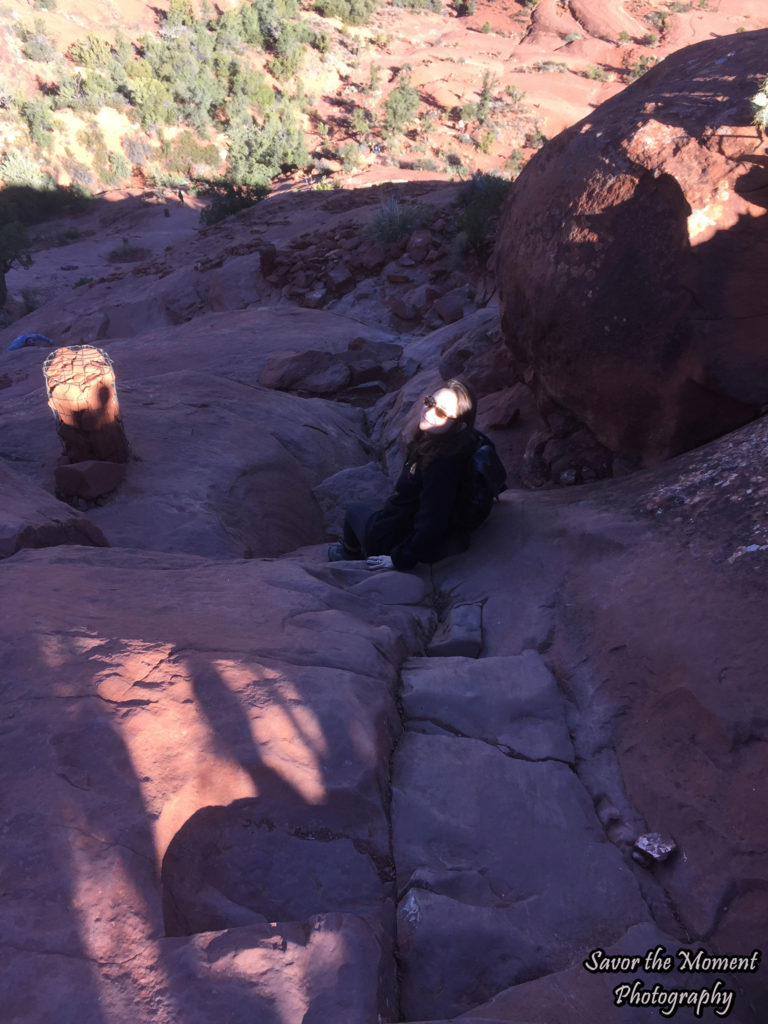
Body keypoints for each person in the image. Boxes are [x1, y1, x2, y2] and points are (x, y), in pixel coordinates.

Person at [328, 378, 480, 572]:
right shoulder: (457, 445)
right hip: (402, 522)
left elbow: (433, 522)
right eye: (430, 402)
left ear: (459, 426)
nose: (429, 412)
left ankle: (349, 552)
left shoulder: (441, 464)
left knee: (353, 511)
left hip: (394, 540)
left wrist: (399, 559)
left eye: (441, 412)